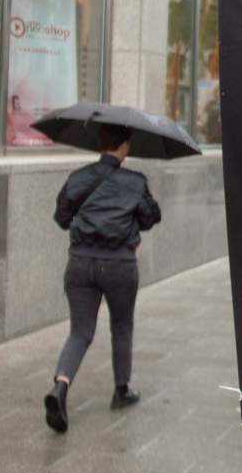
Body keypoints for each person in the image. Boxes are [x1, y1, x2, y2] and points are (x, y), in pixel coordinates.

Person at [43, 123, 161, 433]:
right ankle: (121, 390)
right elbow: (151, 217)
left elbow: (61, 217)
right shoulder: (135, 182)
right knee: (121, 326)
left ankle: (61, 387)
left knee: (80, 332)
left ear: (100, 145)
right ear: (124, 147)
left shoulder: (79, 177)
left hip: (80, 264)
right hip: (120, 264)